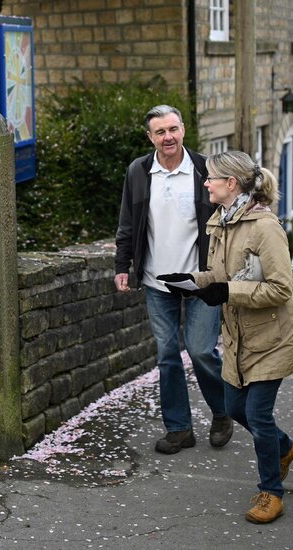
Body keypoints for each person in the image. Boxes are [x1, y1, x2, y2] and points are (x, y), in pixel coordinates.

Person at [158, 151, 293, 524]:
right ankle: (284, 447)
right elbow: (219, 275)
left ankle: (270, 493)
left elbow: (280, 288)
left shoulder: (265, 227)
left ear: (231, 184)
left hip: (273, 336)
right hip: (238, 338)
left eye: (211, 177)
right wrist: (191, 282)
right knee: (233, 407)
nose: (205, 183)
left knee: (257, 414)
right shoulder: (220, 223)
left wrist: (228, 292)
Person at [114, 104, 232, 455]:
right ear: (150, 136)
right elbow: (127, 223)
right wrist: (123, 264)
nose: (168, 137)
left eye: (173, 129)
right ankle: (179, 429)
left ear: (183, 130)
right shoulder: (138, 171)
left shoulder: (205, 169)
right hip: (155, 281)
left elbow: (230, 218)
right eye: (160, 132)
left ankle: (223, 412)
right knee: (167, 355)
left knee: (200, 351)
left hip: (200, 280)